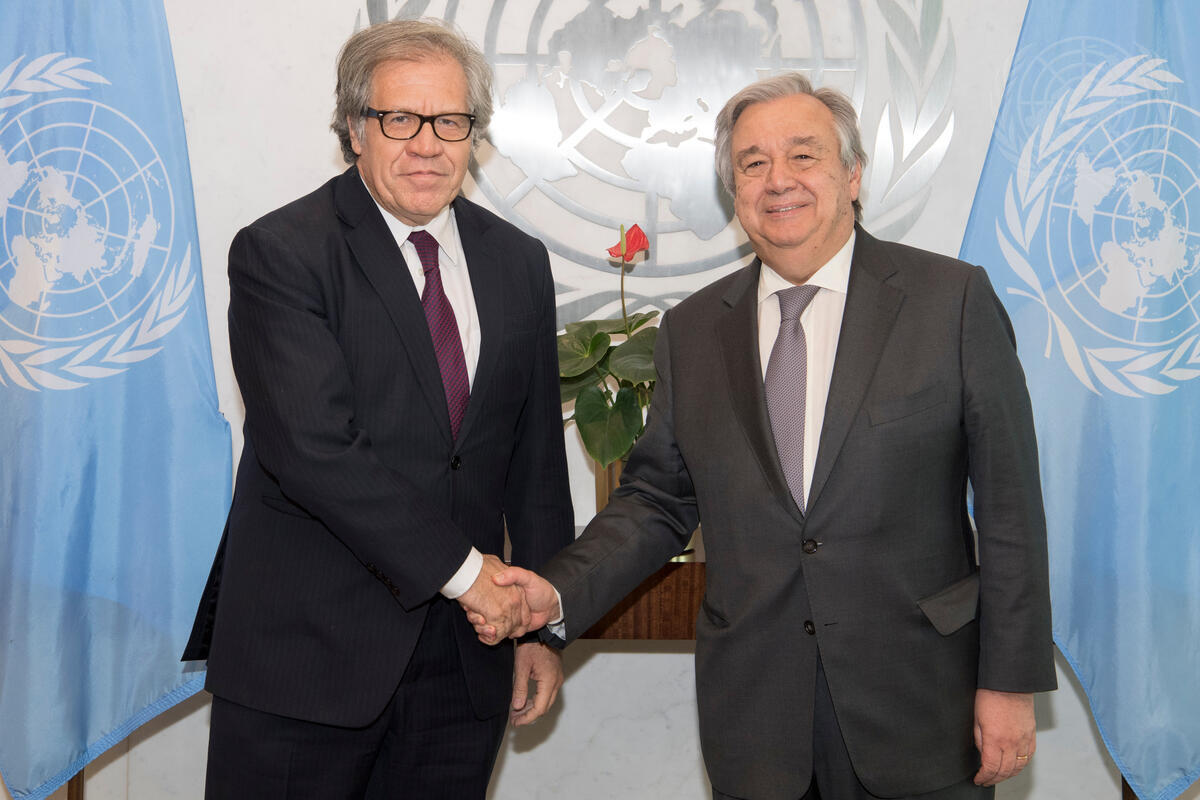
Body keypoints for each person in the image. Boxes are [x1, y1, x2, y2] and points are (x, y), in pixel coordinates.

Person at [473, 72, 1056, 800]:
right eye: (753, 163)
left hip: (921, 704)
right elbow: (657, 501)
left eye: (804, 155)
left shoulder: (951, 301)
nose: (778, 179)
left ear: (853, 174)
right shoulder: (692, 330)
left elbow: (1010, 512)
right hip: (757, 721)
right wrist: (555, 593)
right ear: (734, 191)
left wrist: (1009, 682)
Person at [181, 19, 573, 799]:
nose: (427, 144)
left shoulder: (518, 262)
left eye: (450, 120)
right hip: (306, 664)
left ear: (475, 134)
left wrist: (541, 626)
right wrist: (470, 575)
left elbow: (534, 461)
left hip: (463, 668)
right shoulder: (281, 252)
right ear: (354, 129)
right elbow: (315, 451)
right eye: (400, 119)